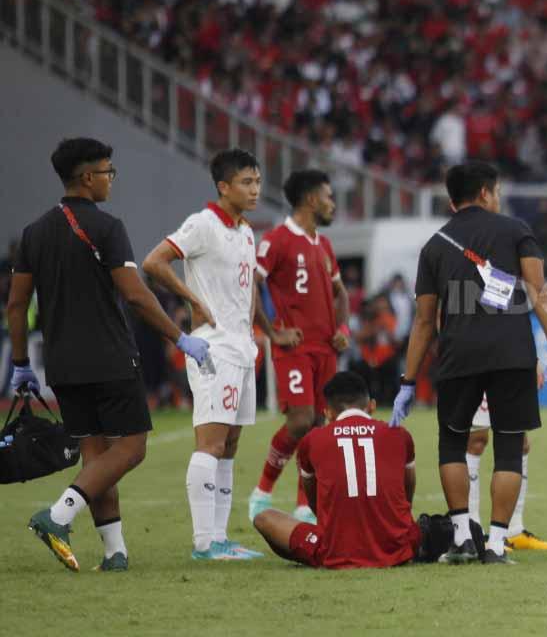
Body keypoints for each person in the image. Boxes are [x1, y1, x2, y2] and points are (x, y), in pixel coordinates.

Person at [10, 137, 211, 572]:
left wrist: (21, 363)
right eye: (107, 172)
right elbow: (136, 296)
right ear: (87, 177)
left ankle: (114, 553)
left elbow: (16, 304)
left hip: (61, 364)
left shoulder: (33, 233)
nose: (111, 179)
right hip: (110, 357)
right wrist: (180, 339)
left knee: (96, 456)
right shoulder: (107, 227)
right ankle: (58, 515)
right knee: (133, 448)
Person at [391, 161, 547, 565]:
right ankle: (497, 544)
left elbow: (424, 321)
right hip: (513, 355)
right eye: (498, 191)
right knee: (509, 448)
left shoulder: (434, 245)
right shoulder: (516, 231)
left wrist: (408, 381)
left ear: (453, 198)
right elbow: (539, 292)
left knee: (452, 444)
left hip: (458, 356)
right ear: (486, 192)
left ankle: (461, 539)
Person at [143, 149, 267, 561]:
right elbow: (154, 262)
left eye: (257, 181)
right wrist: (192, 299)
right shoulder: (203, 224)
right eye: (246, 182)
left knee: (230, 444)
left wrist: (253, 332)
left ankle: (220, 538)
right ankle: (203, 543)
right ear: (224, 187)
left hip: (242, 347)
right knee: (211, 443)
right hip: (214, 347)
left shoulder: (246, 231)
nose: (255, 189)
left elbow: (249, 286)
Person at [248, 170, 351, 524]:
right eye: (328, 196)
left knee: (320, 427)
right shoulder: (277, 239)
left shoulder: (324, 245)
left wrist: (343, 328)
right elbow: (251, 285)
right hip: (294, 348)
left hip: (326, 350)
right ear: (311, 199)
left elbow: (341, 294)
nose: (332, 203)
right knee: (300, 420)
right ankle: (262, 493)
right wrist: (272, 333)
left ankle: (305, 506)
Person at [252, 371, 422, 569]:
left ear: (328, 413)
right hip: (397, 547)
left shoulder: (312, 440)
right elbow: (408, 490)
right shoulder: (399, 434)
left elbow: (314, 500)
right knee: (431, 526)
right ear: (372, 406)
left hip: (335, 550)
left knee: (264, 518)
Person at [465, 364, 547, 551]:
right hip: (480, 362)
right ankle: (473, 532)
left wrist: (534, 361)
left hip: (512, 365)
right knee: (476, 440)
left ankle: (514, 530)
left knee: (520, 443)